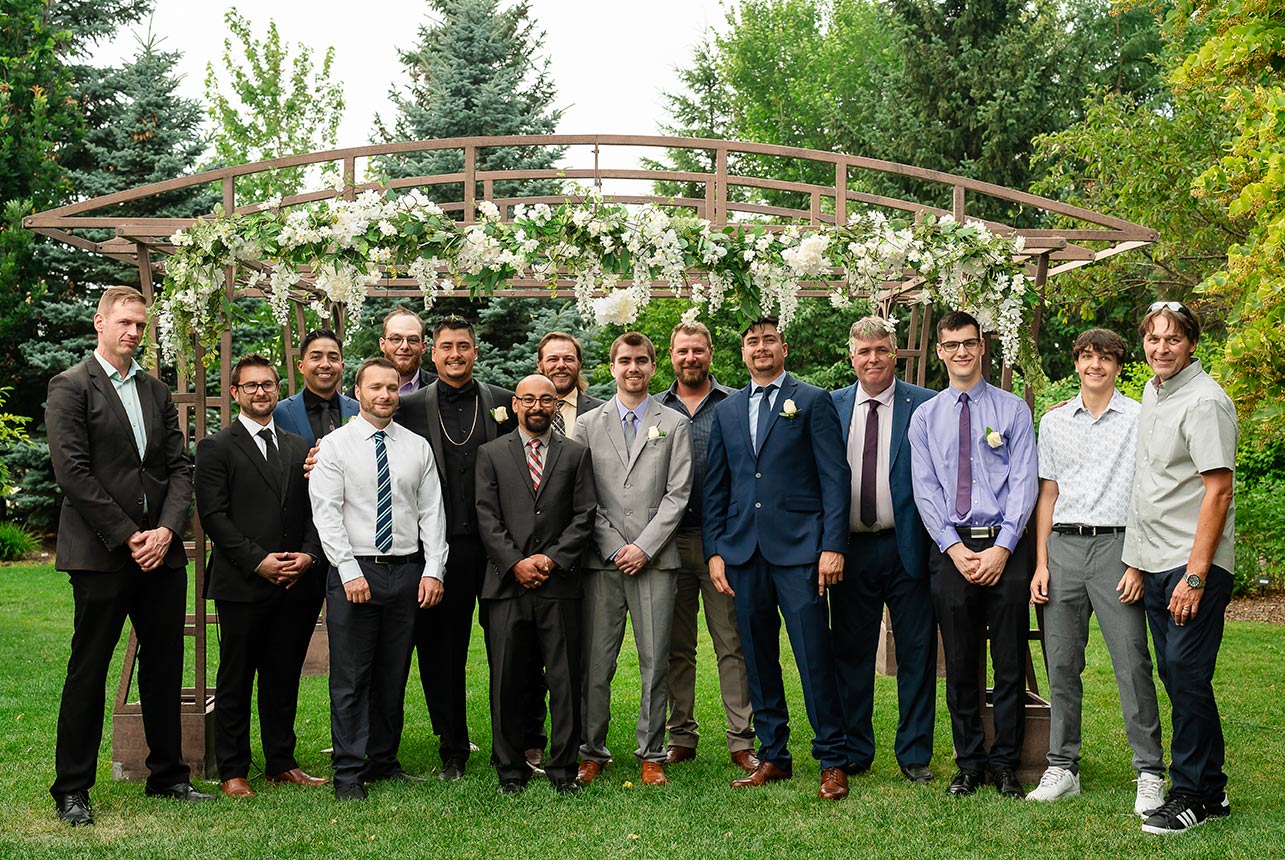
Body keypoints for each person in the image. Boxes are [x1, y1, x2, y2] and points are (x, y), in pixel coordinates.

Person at [46, 286, 211, 825]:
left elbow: (179, 468)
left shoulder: (155, 391)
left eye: (141, 324)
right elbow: (72, 473)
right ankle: (72, 789)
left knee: (163, 667)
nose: (134, 332)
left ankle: (168, 777)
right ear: (100, 322)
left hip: (161, 554)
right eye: (125, 322)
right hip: (101, 554)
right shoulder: (71, 385)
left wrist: (166, 531)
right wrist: (127, 535)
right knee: (88, 669)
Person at [703, 316, 853, 801]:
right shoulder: (727, 410)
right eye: (752, 341)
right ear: (743, 353)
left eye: (769, 339)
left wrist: (832, 546)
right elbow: (717, 486)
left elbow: (835, 478)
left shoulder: (811, 400)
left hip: (801, 551)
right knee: (758, 658)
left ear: (784, 348)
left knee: (813, 655)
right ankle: (774, 756)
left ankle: (832, 759)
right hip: (743, 552)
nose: (761, 347)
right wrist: (715, 551)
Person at [1028, 328, 1165, 815]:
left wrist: (1137, 561)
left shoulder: (1140, 417)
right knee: (1062, 663)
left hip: (1117, 548)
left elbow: (1149, 492)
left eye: (1105, 358)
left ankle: (1150, 772)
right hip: (1063, 548)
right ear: (1076, 364)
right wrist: (1041, 563)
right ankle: (1062, 767)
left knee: (1132, 662)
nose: (1095, 365)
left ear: (1118, 366)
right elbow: (1048, 494)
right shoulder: (1054, 421)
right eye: (1087, 356)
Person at [908, 310, 1038, 799]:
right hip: (952, 549)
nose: (961, 352)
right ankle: (969, 763)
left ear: (982, 346)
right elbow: (925, 489)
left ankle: (1004, 763)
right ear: (940, 352)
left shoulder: (1013, 411)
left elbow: (1024, 481)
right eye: (951, 345)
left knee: (1009, 661)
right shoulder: (925, 417)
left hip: (1007, 546)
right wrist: (954, 548)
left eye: (968, 342)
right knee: (960, 662)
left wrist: (1004, 546)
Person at [309, 358, 448, 801]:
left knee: (392, 674)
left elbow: (432, 512)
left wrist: (433, 569)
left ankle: (383, 761)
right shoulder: (335, 446)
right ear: (359, 392)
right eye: (375, 388)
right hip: (355, 571)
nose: (385, 395)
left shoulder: (416, 447)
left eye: (391, 387)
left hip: (406, 572)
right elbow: (327, 513)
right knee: (351, 678)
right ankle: (349, 771)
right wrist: (348, 570)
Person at [194, 354, 329, 799]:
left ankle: (281, 762)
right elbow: (214, 517)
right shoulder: (216, 447)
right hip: (243, 582)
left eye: (268, 384)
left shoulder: (298, 445)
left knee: (283, 676)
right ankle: (233, 769)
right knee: (236, 677)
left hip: (296, 582)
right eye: (250, 385)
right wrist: (259, 561)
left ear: (278, 389)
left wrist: (308, 555)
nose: (260, 392)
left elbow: (315, 508)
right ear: (235, 393)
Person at [1124, 302, 1236, 835]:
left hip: (1193, 565)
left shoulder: (1205, 401)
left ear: (1191, 344)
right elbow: (1150, 484)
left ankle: (1189, 793)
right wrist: (1136, 561)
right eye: (1153, 338)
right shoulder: (1155, 392)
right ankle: (1211, 789)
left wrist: (1195, 576)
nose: (1161, 348)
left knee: (1187, 674)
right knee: (1178, 676)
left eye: (1173, 339)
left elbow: (1219, 491)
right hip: (1155, 559)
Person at [395, 317, 517, 780]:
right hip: (438, 550)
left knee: (509, 648)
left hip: (497, 549)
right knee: (441, 653)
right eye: (446, 347)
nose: (455, 355)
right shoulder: (408, 409)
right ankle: (453, 748)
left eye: (463, 346)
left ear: (475, 352)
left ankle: (511, 744)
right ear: (433, 353)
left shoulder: (504, 402)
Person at [575, 332, 692, 787]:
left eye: (641, 360)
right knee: (596, 663)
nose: (633, 368)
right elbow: (582, 494)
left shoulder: (674, 424)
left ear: (653, 366)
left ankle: (652, 753)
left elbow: (678, 494)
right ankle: (591, 750)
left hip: (654, 562)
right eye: (624, 360)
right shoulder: (588, 424)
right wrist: (612, 545)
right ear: (612, 368)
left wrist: (643, 547)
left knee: (655, 661)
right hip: (602, 563)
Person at [475, 374, 598, 794]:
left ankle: (563, 769)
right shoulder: (491, 453)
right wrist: (516, 562)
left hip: (558, 584)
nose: (537, 407)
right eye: (528, 399)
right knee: (507, 680)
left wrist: (551, 558)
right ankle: (511, 769)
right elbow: (486, 516)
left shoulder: (576, 454)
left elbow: (584, 515)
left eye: (546, 400)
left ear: (556, 405)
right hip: (506, 586)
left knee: (565, 681)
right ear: (515, 404)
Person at [830, 316, 937, 783]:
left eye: (881, 350)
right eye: (863, 351)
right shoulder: (831, 405)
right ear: (851, 357)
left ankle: (914, 753)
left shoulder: (926, 404)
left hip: (908, 544)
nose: (872, 359)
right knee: (850, 653)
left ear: (895, 354)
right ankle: (855, 749)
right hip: (850, 549)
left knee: (917, 652)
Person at [657, 321, 757, 773]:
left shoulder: (735, 404)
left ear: (711, 353)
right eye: (683, 351)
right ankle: (681, 735)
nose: (690, 358)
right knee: (675, 646)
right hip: (668, 542)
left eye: (698, 350)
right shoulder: (656, 408)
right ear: (671, 356)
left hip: (722, 544)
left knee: (731, 644)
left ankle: (741, 739)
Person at [274, 329, 359, 445]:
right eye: (316, 357)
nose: (325, 365)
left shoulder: (359, 411)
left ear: (342, 367)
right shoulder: (279, 413)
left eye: (333, 358)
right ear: (301, 366)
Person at [346, 308, 437, 397]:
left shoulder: (438, 390)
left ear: (423, 347)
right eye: (396, 339)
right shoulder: (357, 394)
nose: (404, 346)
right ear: (382, 344)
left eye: (412, 340)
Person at [536, 331, 604, 440]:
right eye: (553, 359)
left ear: (579, 364)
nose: (561, 365)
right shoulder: (521, 411)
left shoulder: (601, 412)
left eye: (568, 359)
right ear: (540, 365)